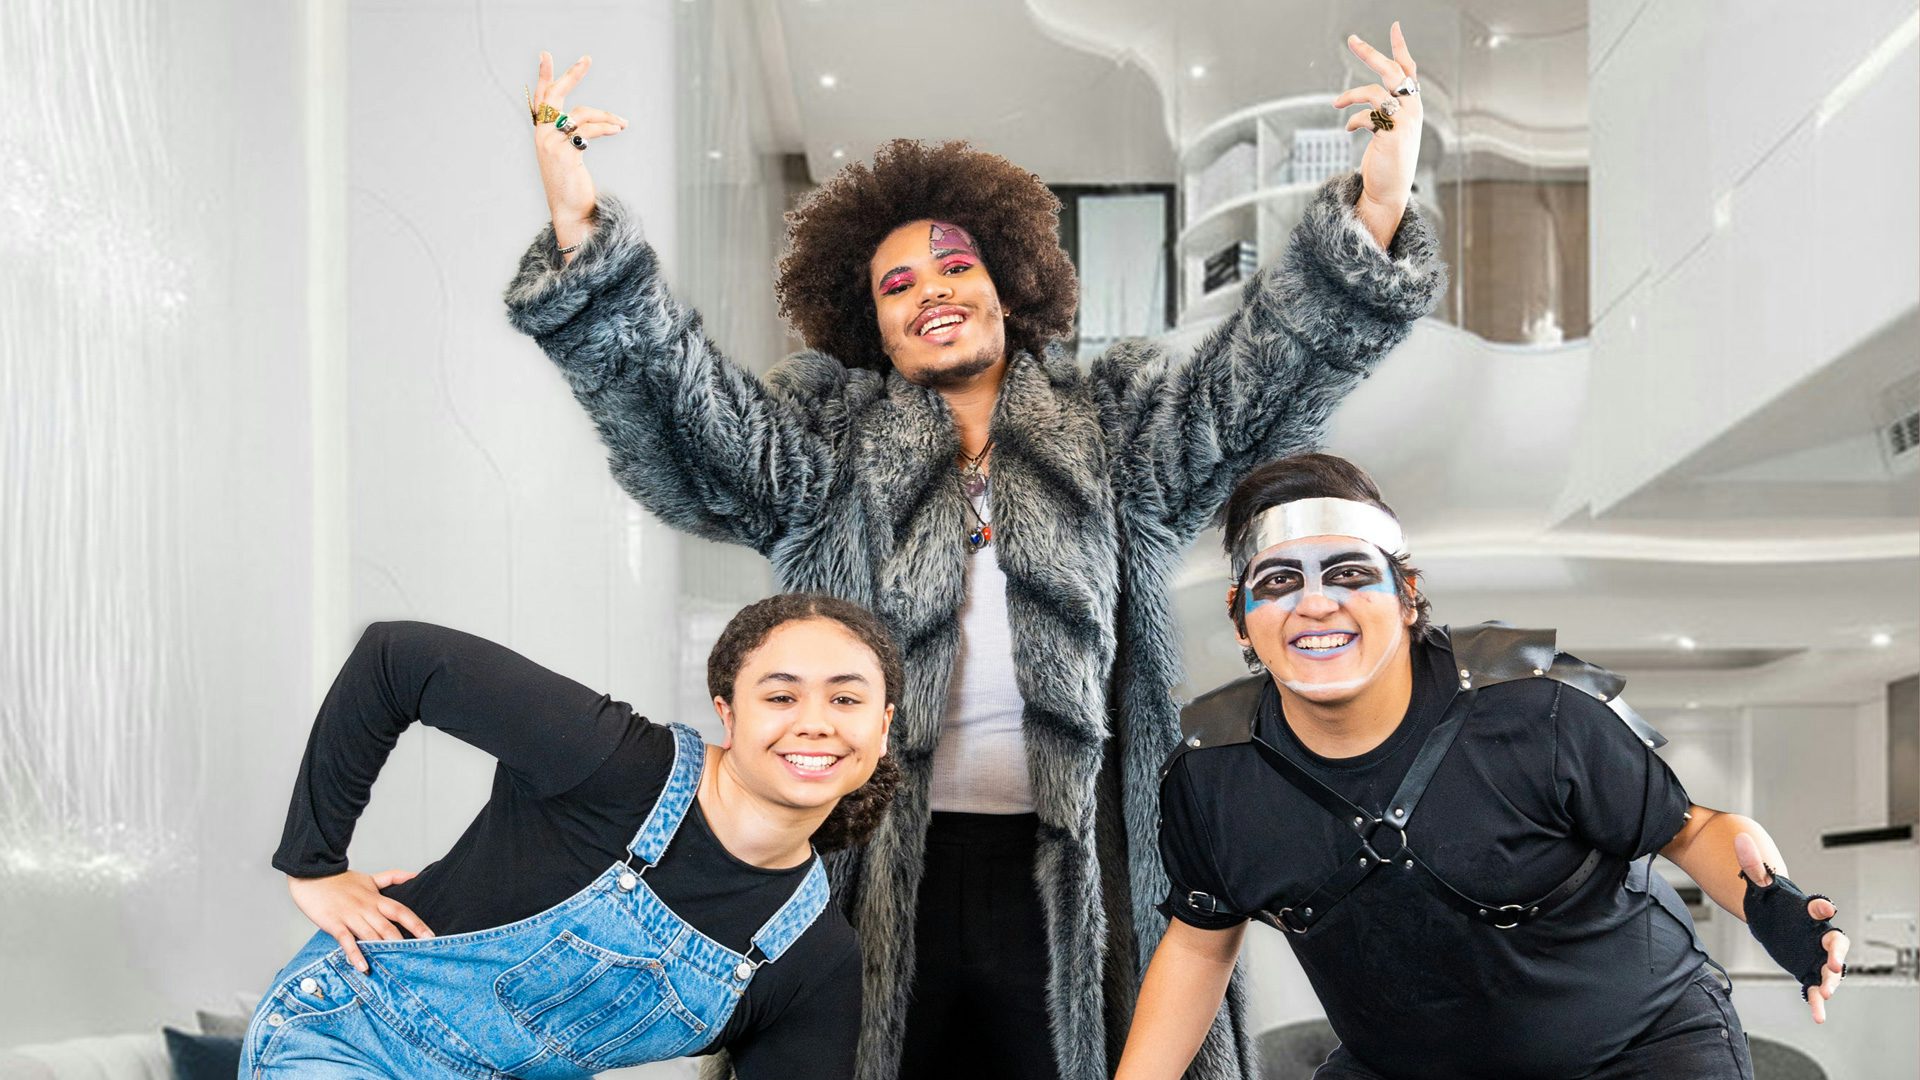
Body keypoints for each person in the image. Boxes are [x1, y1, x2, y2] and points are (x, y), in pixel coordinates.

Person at [506, 24, 1442, 1079]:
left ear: (1009, 282)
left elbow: (1256, 385)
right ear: (872, 326)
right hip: (867, 868)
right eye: (896, 286)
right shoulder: (823, 444)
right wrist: (586, 237)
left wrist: (1373, 211)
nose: (932, 291)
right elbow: (687, 417)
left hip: (1077, 879)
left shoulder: (1118, 430)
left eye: (954, 265)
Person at [1116, 453, 1852, 1080]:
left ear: (1406, 598)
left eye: (1347, 575)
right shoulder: (1210, 775)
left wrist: (1766, 900)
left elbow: (1689, 831)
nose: (1315, 604)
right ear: (1241, 617)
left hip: (1641, 1047)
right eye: (1278, 583)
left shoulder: (1536, 701)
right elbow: (1198, 947)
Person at [242, 593, 902, 1078]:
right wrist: (314, 863)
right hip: (352, 1044)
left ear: (882, 727)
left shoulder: (814, 959)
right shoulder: (616, 764)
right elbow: (397, 659)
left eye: (846, 699)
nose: (816, 723)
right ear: (727, 713)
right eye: (781, 696)